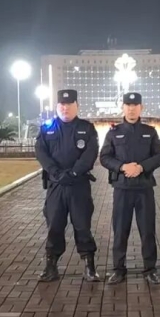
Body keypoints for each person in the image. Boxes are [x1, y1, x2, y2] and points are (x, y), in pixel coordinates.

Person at [35, 89, 101, 282]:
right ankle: (51, 267)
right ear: (57, 106)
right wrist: (56, 173)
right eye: (62, 105)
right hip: (56, 185)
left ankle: (89, 267)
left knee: (82, 225)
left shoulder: (86, 128)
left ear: (76, 106)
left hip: (78, 185)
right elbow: (41, 153)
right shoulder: (47, 128)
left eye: (69, 104)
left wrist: (73, 173)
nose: (65, 108)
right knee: (54, 225)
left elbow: (90, 153)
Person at [99, 92, 160, 285]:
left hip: (144, 188)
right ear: (123, 107)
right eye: (128, 105)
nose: (131, 108)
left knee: (148, 231)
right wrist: (122, 167)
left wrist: (141, 167)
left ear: (141, 108)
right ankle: (118, 270)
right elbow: (104, 157)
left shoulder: (150, 132)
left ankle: (150, 270)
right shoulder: (114, 132)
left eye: (135, 105)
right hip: (122, 188)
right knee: (120, 231)